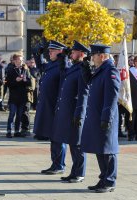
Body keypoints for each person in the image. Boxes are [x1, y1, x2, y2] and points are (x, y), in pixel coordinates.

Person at [80, 44, 120, 193]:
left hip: (105, 117)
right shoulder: (100, 70)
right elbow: (90, 83)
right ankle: (103, 178)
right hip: (97, 116)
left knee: (108, 150)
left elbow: (111, 97)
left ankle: (109, 181)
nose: (92, 58)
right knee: (100, 148)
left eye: (94, 55)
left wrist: (107, 117)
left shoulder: (110, 71)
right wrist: (84, 69)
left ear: (102, 56)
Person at [52, 41, 89, 183]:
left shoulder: (82, 69)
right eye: (71, 52)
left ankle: (79, 173)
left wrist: (79, 114)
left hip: (76, 112)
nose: (71, 54)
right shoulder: (74, 68)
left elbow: (83, 94)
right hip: (69, 112)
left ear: (81, 54)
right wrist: (63, 57)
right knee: (73, 142)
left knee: (78, 144)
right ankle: (74, 172)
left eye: (73, 52)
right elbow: (63, 71)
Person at [34, 40, 68, 174]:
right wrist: (38, 55)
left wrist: (63, 57)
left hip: (56, 107)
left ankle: (60, 165)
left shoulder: (62, 65)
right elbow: (41, 66)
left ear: (60, 52)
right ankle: (55, 163)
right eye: (49, 51)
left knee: (58, 137)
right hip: (48, 106)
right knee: (53, 137)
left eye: (52, 51)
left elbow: (64, 70)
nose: (49, 53)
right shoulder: (52, 65)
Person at [6, 54, 31, 138]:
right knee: (12, 114)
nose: (20, 62)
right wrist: (16, 80)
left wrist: (25, 80)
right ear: (14, 61)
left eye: (21, 60)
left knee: (19, 115)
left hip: (23, 96)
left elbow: (30, 82)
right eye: (19, 60)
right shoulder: (10, 70)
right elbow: (8, 84)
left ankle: (17, 131)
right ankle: (9, 131)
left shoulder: (25, 69)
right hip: (14, 96)